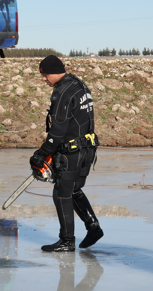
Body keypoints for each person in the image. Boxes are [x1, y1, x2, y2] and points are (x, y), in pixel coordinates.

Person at [29, 55, 102, 252]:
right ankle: (93, 226)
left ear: (53, 72)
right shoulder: (80, 85)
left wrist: (41, 154)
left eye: (45, 75)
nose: (44, 79)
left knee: (61, 193)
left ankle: (67, 241)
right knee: (74, 189)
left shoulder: (61, 92)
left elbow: (58, 130)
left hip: (72, 152)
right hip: (87, 149)